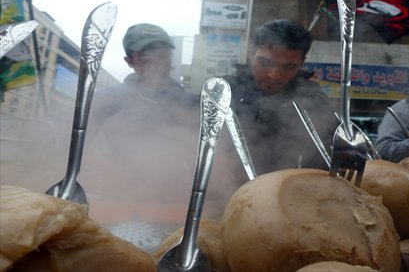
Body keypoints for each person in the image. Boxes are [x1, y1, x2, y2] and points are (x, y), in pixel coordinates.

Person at [82, 23, 244, 230]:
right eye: (144, 54)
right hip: (118, 198)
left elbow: (215, 155)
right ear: (129, 60)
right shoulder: (105, 102)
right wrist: (101, 167)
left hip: (176, 200)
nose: (156, 60)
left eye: (162, 53)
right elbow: (76, 150)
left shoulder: (192, 103)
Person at [222, 19, 336, 174]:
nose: (274, 75)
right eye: (265, 62)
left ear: (302, 63)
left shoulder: (314, 105)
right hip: (221, 188)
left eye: (288, 66)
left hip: (286, 191)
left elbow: (327, 162)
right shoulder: (223, 94)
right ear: (251, 53)